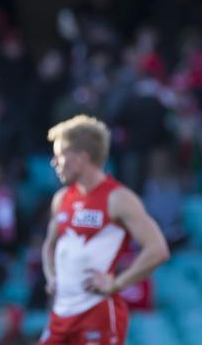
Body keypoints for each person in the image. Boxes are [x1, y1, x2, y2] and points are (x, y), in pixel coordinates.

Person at [39, 115, 170, 345]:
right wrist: (51, 277)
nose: (54, 162)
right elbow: (50, 245)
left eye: (60, 155)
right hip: (61, 314)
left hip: (97, 313)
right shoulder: (61, 199)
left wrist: (117, 284)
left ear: (81, 158)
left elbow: (158, 249)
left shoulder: (118, 198)